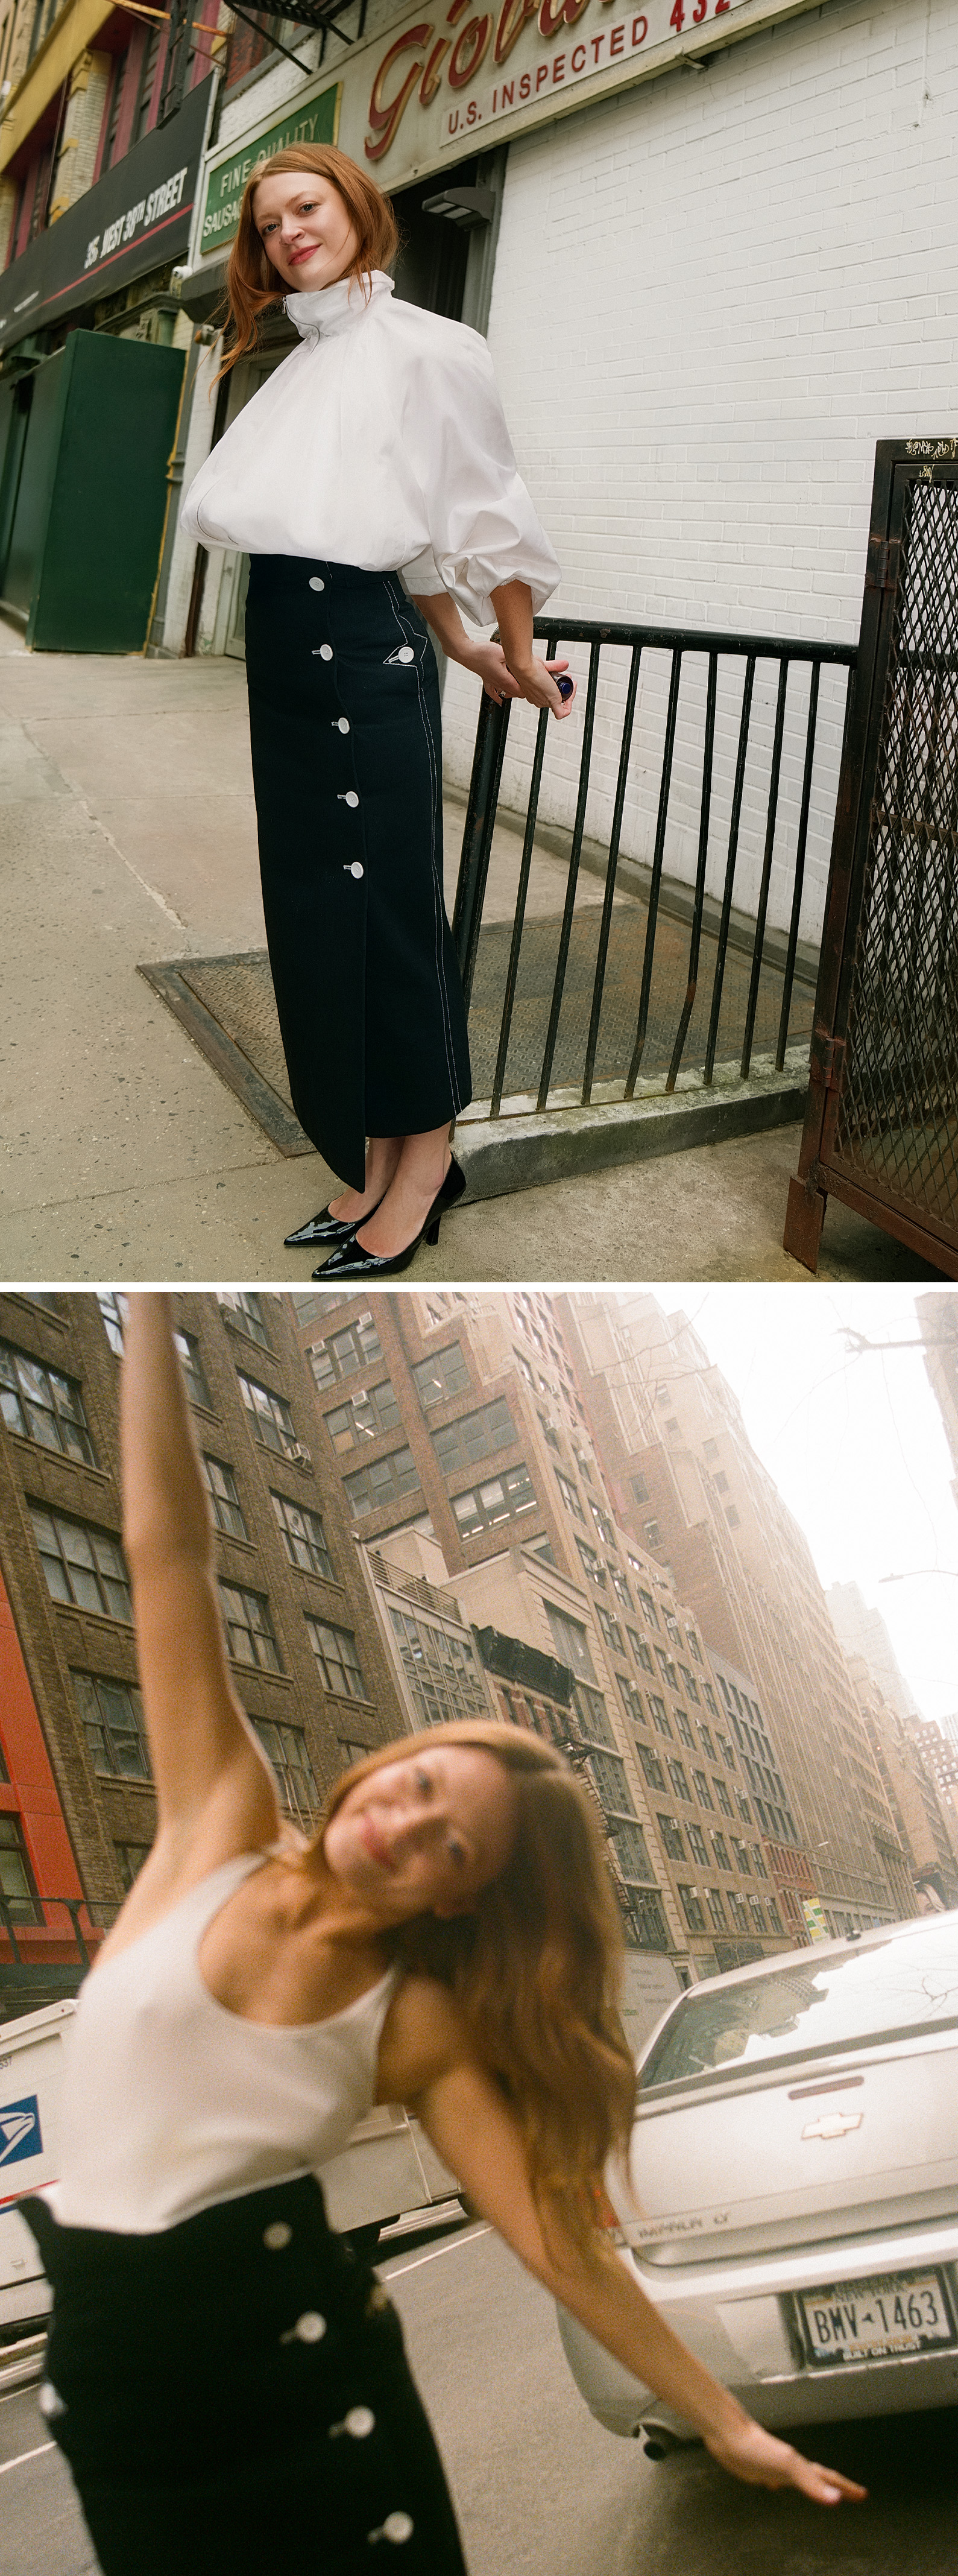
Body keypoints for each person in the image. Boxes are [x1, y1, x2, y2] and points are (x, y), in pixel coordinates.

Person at [20, 1297, 866, 2575]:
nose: (403, 1828)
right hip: (120, 2402)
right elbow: (166, 1556)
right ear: (390, 1766)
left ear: (461, 1897)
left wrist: (727, 2423)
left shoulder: (413, 2024)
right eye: (416, 1786)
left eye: (450, 1846)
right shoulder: (216, 1824)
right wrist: (147, 1303)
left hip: (305, 2390)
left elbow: (560, 2249)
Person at [180, 148, 573, 1280]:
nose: (290, 232)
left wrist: (510, 647)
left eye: (307, 207)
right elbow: (384, 518)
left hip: (354, 654)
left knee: (387, 910)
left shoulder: (433, 348)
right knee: (320, 911)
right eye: (268, 225)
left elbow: (483, 510)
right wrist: (452, 638)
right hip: (295, 657)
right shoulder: (303, 360)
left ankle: (427, 1155)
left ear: (356, 208)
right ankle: (382, 1150)